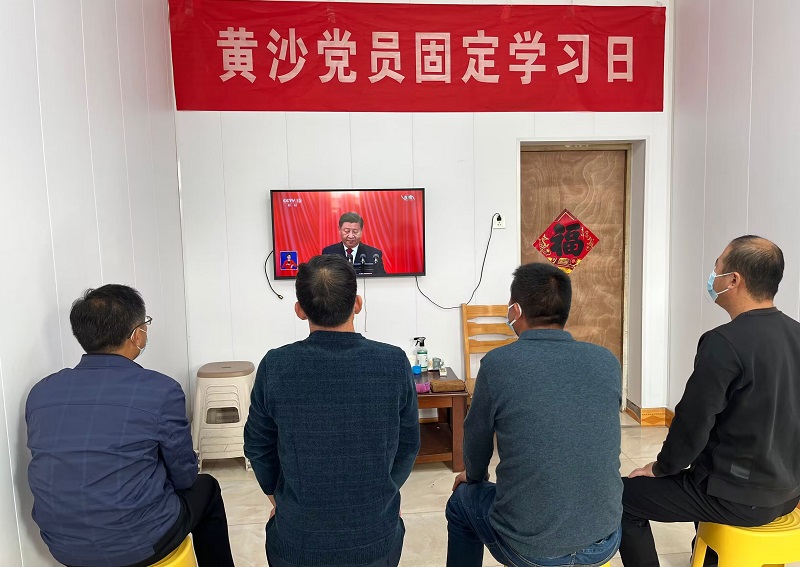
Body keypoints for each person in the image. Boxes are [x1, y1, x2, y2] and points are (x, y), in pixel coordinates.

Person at [620, 235, 800, 567]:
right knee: (703, 475)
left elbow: (693, 422)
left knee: (621, 498)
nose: (712, 275)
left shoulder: (724, 342)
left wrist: (660, 468)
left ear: (733, 280)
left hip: (737, 497)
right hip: (788, 494)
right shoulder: (796, 333)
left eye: (716, 267)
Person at [26, 284, 234, 567]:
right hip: (139, 545)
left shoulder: (42, 392)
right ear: (137, 335)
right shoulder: (160, 390)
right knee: (206, 488)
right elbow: (184, 476)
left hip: (62, 546)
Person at [244, 254, 419, 567]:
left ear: (300, 310)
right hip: (376, 541)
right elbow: (408, 445)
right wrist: (384, 494)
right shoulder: (394, 362)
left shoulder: (276, 365)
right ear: (357, 304)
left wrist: (278, 499)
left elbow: (258, 447)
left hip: (296, 542)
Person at [445, 262, 623, 567]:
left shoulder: (498, 364)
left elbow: (476, 440)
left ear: (515, 310)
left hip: (530, 549)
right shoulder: (606, 361)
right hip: (604, 540)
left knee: (461, 502)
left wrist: (473, 477)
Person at [322, 211, 386, 274]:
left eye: (355, 232)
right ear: (339, 229)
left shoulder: (374, 254)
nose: (351, 236)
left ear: (361, 231)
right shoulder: (329, 253)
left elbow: (381, 279)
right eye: (347, 231)